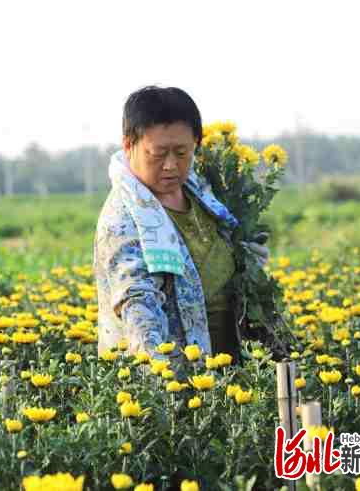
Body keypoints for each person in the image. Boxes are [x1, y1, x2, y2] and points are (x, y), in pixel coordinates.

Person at [94, 86, 268, 369]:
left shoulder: (201, 190)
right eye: (158, 153)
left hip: (233, 363)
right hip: (179, 377)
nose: (171, 165)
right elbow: (137, 304)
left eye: (182, 152)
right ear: (129, 145)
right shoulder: (123, 219)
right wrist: (162, 379)